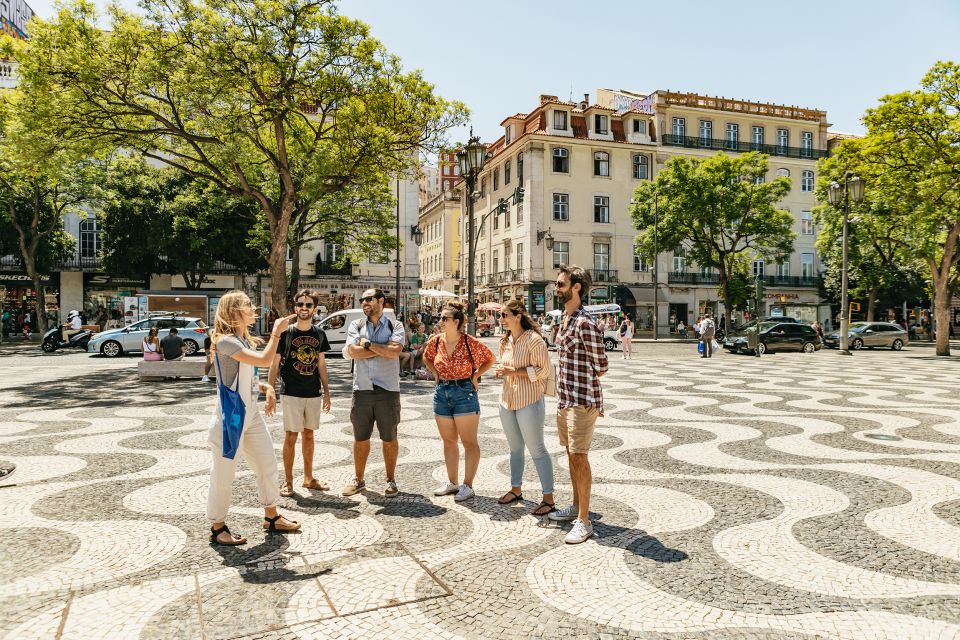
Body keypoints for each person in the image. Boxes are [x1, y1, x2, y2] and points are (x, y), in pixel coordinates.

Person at [207, 290, 299, 545]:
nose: (253, 307)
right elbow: (264, 359)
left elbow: (248, 376)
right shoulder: (226, 342)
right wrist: (277, 331)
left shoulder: (242, 341)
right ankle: (217, 526)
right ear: (233, 311)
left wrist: (265, 388)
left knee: (267, 464)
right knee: (223, 475)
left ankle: (271, 516)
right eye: (247, 304)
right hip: (230, 420)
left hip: (251, 416)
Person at [548, 265, 608, 544]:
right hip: (565, 398)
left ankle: (584, 521)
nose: (556, 288)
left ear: (576, 288)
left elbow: (602, 365)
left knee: (579, 456)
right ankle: (575, 506)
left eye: (561, 284)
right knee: (571, 454)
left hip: (582, 400)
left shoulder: (585, 323)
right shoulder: (564, 319)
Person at [423, 300, 495, 502]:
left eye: (444, 318)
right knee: (448, 441)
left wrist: (476, 375)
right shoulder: (436, 341)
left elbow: (490, 358)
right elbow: (427, 357)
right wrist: (435, 373)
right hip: (442, 391)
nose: (441, 321)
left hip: (464, 391)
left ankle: (468, 485)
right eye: (440, 317)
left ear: (456, 321)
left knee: (469, 442)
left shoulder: (469, 342)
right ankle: (452, 482)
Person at [269, 289, 332, 498]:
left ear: (314, 309)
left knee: (310, 435)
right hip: (291, 392)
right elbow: (274, 364)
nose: (303, 308)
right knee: (290, 436)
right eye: (300, 304)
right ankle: (287, 481)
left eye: (308, 305)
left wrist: (327, 393)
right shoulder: (286, 333)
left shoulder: (319, 334)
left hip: (312, 392)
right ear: (295, 307)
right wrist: (270, 391)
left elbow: (321, 364)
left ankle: (308, 478)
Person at [341, 288, 405, 498]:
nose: (364, 303)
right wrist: (383, 348)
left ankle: (391, 480)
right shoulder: (356, 325)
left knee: (389, 437)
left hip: (387, 389)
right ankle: (358, 480)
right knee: (360, 438)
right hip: (362, 389)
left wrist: (367, 344)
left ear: (380, 301)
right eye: (362, 300)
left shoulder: (395, 325)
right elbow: (352, 352)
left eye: (368, 299)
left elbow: (395, 351)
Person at [495, 299, 554, 516]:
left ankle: (548, 497)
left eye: (504, 315)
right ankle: (515, 489)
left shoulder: (535, 340)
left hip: (529, 400)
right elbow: (507, 367)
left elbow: (543, 372)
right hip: (507, 399)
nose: (500, 319)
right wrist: (503, 371)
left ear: (517, 316)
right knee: (515, 448)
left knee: (537, 449)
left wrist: (513, 372)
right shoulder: (505, 341)